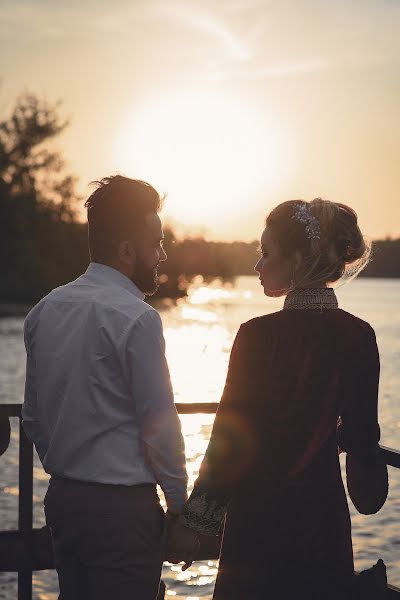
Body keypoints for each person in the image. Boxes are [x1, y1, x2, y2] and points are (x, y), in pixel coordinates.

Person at [166, 199, 389, 599]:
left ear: (299, 259)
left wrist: (194, 525)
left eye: (266, 253)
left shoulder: (255, 336)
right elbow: (363, 459)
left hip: (256, 528)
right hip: (321, 529)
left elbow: (227, 443)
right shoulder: (358, 336)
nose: (258, 265)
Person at [22, 175, 189, 600]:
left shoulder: (45, 310)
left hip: (64, 502)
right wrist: (179, 508)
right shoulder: (137, 318)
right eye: (156, 242)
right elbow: (160, 426)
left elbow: (34, 417)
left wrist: (70, 470)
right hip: (122, 512)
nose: (163, 254)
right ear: (127, 250)